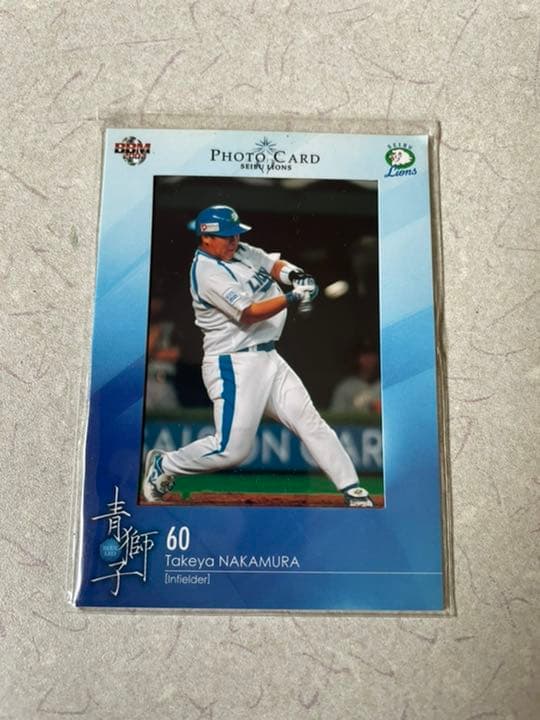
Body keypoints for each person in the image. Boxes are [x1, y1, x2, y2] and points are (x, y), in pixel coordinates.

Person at [141, 205, 373, 508]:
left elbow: (272, 264)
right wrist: (293, 296)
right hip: (233, 363)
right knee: (231, 451)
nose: (234, 240)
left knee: (309, 421)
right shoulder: (207, 273)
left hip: (268, 356)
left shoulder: (239, 250)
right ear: (206, 237)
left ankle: (352, 489)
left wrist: (296, 275)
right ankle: (165, 464)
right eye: (227, 236)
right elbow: (249, 314)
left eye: (236, 234)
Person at [330, 342, 381, 415]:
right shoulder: (345, 387)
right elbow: (336, 416)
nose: (368, 360)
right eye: (364, 355)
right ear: (357, 359)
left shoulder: (385, 387)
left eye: (371, 355)